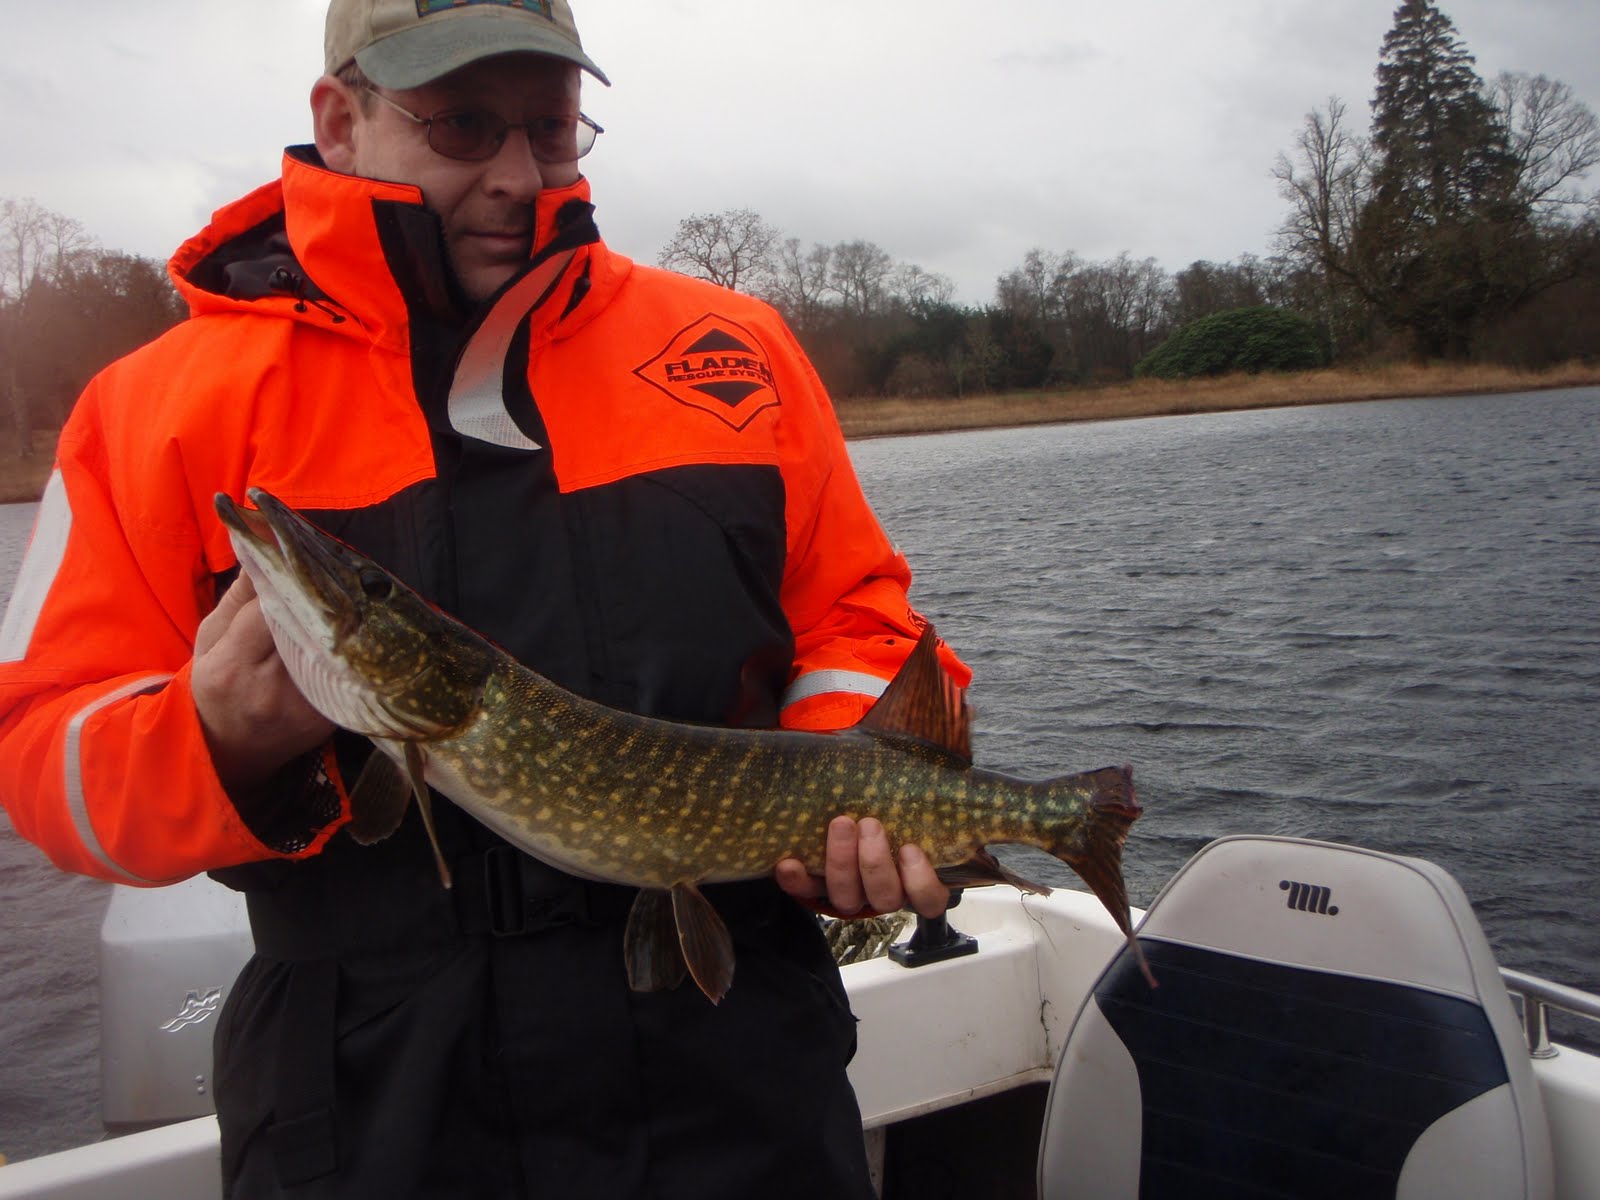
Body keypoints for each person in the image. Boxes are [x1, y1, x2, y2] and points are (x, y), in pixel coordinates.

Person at [0, 1, 970, 1196]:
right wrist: (215, 736)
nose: (517, 175)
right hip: (372, 1101)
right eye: (462, 125)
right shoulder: (149, 410)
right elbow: (39, 748)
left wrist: (837, 787)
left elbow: (857, 616)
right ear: (340, 121)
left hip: (735, 1070)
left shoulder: (733, 348)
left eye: (551, 130)